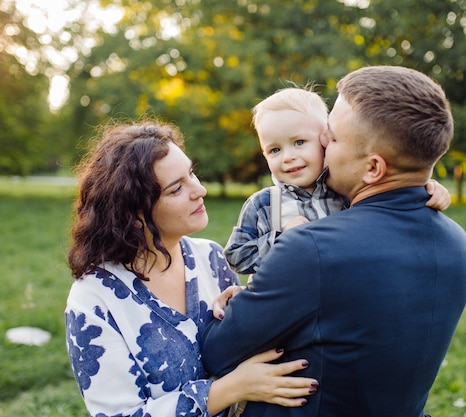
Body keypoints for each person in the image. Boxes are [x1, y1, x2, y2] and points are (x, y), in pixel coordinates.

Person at [201, 66, 466, 417]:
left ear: (373, 168)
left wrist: (241, 305)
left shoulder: (310, 248)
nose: (323, 144)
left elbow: (217, 352)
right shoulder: (456, 241)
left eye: (332, 137)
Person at [64, 121, 319, 417]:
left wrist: (245, 301)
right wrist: (232, 388)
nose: (200, 190)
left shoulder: (211, 257)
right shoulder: (93, 300)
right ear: (133, 214)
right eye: (176, 189)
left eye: (192, 173)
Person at [224, 86, 452, 275]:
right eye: (274, 150)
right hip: (291, 302)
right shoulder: (264, 204)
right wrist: (282, 241)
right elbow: (235, 257)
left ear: (324, 138)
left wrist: (426, 188)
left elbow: (390, 190)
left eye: (300, 142)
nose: (288, 156)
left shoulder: (345, 191)